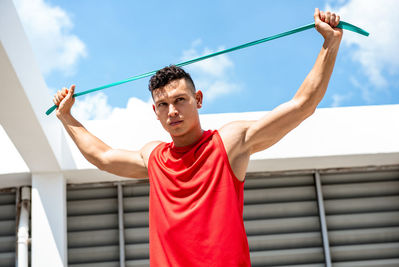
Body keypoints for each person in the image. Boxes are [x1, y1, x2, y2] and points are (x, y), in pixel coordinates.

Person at [54, 8, 342, 267]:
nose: (173, 111)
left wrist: (329, 44)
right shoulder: (154, 156)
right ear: (155, 112)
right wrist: (67, 117)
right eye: (164, 105)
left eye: (180, 100)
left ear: (198, 99)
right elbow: (102, 157)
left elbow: (301, 105)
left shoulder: (229, 143)